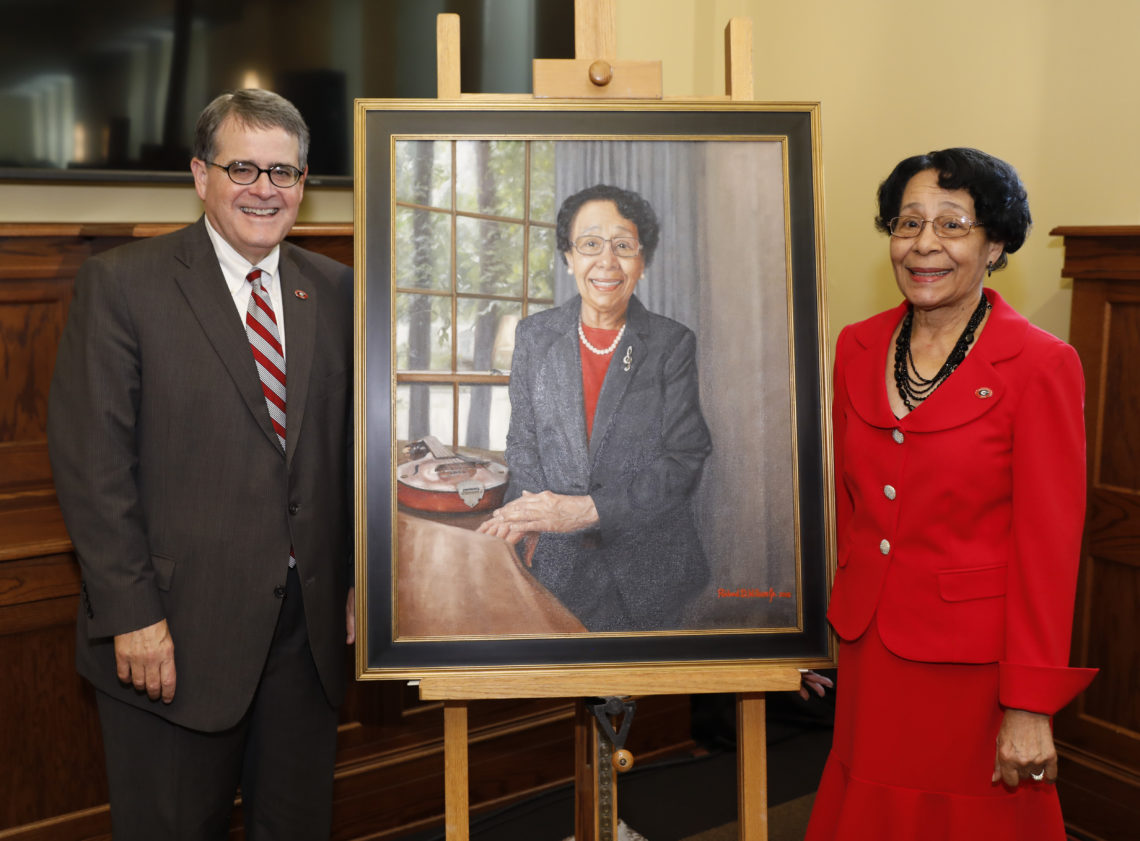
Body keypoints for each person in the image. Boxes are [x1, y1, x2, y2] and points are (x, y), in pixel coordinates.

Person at [47, 89, 354, 841]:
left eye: (284, 172)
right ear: (199, 174)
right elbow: (93, 466)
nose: (264, 188)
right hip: (171, 641)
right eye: (242, 166)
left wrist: (359, 579)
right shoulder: (124, 283)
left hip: (306, 642)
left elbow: (351, 454)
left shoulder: (339, 290)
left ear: (304, 185)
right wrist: (134, 615)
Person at [804, 148, 1097, 840]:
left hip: (975, 672)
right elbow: (847, 512)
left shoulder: (1041, 364)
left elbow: (1048, 551)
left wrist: (1029, 704)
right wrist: (817, 630)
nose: (924, 244)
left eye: (953, 225)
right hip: (873, 656)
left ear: (995, 243)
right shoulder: (855, 346)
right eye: (908, 223)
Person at [478, 184, 711, 631]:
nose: (607, 261)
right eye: (589, 245)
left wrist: (587, 511)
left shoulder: (671, 343)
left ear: (642, 262)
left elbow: (684, 460)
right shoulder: (534, 336)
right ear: (568, 258)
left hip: (647, 573)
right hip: (557, 567)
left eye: (623, 246)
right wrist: (524, 517)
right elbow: (523, 441)